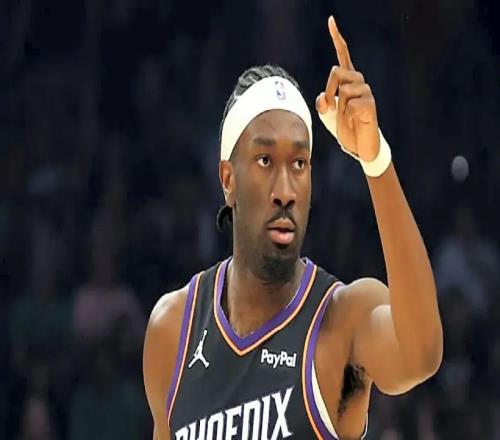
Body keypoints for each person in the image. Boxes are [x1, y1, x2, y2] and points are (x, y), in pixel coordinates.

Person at [143, 16, 443, 440]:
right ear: (228, 179)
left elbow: (422, 353)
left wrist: (375, 160)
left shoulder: (343, 318)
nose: (285, 191)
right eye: (265, 161)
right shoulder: (172, 329)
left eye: (299, 164)